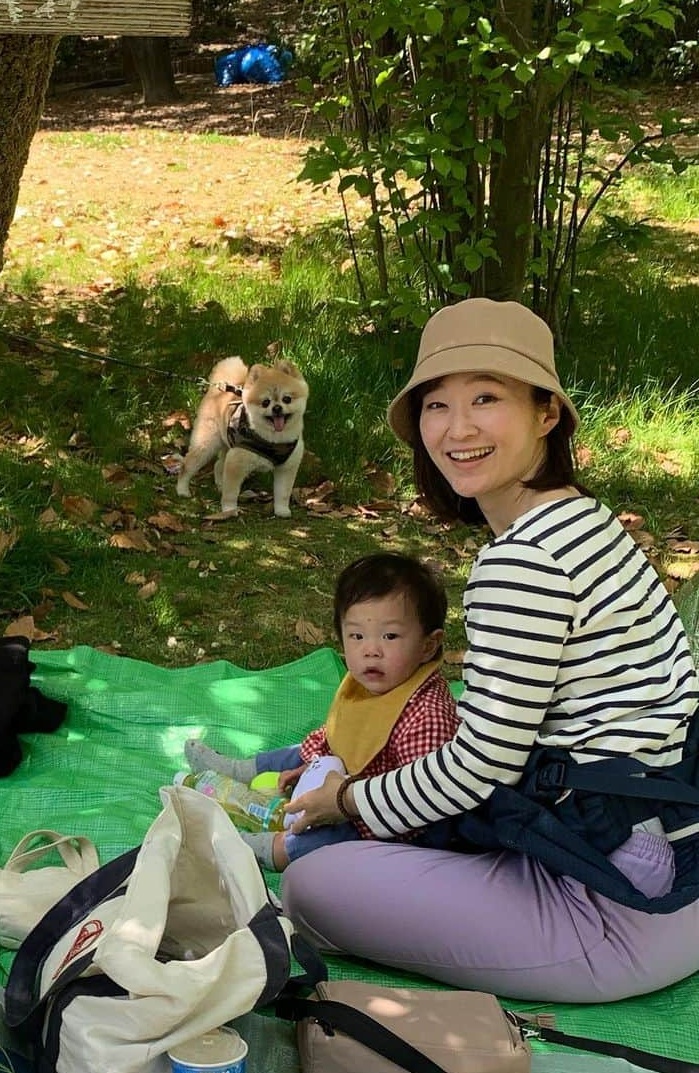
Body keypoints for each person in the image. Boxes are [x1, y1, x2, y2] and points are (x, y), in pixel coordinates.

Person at [282, 297, 699, 1003]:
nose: (458, 428)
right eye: (436, 405)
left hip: (614, 911)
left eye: (486, 397)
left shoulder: (522, 563)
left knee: (310, 886)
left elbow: (482, 765)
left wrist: (346, 799)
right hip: (670, 857)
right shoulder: (585, 520)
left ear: (547, 414)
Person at [185, 553, 458, 870]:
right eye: (357, 636)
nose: (371, 649)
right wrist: (314, 768)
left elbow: (417, 802)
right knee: (303, 747)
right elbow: (341, 738)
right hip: (344, 781)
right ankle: (240, 769)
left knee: (328, 839)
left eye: (390, 636)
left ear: (428, 645)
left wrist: (341, 799)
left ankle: (264, 850)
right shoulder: (373, 680)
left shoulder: (428, 715)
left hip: (389, 828)